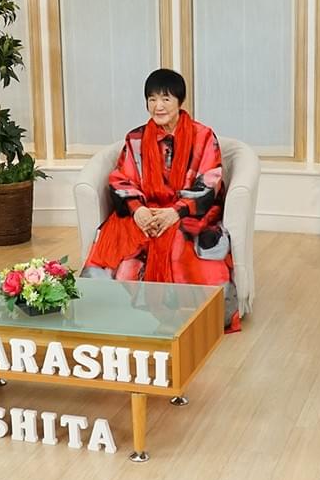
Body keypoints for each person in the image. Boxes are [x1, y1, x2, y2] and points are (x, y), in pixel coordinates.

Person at [81, 68, 241, 332]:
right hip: (146, 211)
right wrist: (138, 210)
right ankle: (115, 314)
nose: (158, 106)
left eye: (166, 99)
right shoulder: (135, 139)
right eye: (152, 99)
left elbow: (210, 182)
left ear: (180, 101)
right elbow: (121, 178)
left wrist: (175, 212)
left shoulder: (203, 136)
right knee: (122, 241)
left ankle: (187, 317)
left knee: (179, 241)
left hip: (188, 214)